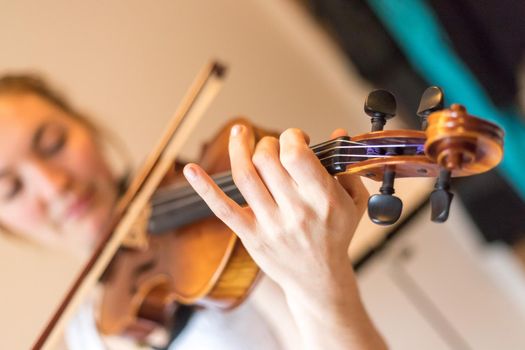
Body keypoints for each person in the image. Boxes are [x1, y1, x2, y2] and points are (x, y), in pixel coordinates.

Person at [0, 74, 387, 350]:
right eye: (11, 189)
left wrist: (318, 278)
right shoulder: (78, 341)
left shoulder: (217, 222)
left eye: (53, 143)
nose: (54, 185)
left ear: (86, 126)